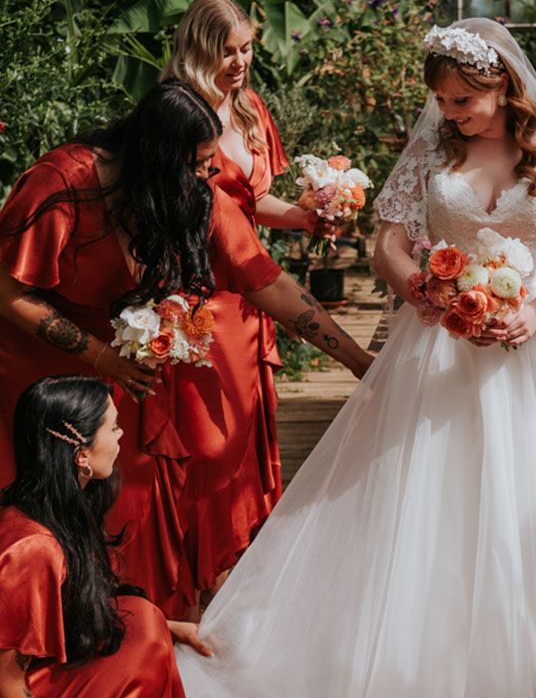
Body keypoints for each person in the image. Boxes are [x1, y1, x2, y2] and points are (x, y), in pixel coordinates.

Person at [178, 18, 536, 698]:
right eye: (443, 101)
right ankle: (411, 691)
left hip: (523, 351)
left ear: (506, 86)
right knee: (421, 514)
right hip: (435, 347)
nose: (455, 114)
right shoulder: (435, 148)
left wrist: (529, 311)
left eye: (467, 99)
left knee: (516, 522)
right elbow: (390, 243)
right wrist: (426, 289)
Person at [0, 80, 371, 619]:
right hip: (38, 371)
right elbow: (8, 291)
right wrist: (101, 357)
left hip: (122, 373)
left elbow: (269, 284)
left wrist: (358, 360)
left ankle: (137, 631)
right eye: (199, 163)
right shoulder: (64, 183)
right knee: (49, 510)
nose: (210, 174)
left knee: (132, 501)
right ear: (157, 158)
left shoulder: (194, 195)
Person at [0, 375, 207, 698]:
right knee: (143, 637)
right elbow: (4, 682)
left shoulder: (45, 508)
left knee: (144, 619)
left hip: (32, 688)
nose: (121, 437)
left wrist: (172, 625)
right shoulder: (31, 548)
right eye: (113, 428)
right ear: (79, 452)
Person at [161, 0, 325, 600]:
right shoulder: (179, 114)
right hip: (201, 294)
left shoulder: (251, 110)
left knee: (248, 434)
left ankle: (242, 581)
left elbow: (254, 206)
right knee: (211, 445)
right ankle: (202, 580)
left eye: (247, 48)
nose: (239, 62)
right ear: (198, 50)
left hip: (252, 289)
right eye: (225, 51)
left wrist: (307, 218)